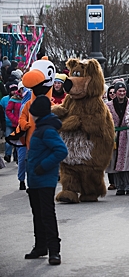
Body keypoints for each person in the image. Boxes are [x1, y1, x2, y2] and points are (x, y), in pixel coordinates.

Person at [24, 95, 68, 265]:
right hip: (35, 181)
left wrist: (43, 166)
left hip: (44, 180)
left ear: (38, 113)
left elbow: (61, 151)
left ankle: (54, 250)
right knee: (37, 215)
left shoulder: (47, 129)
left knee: (47, 215)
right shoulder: (40, 127)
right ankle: (41, 246)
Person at [106, 82, 129, 196]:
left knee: (127, 160)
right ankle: (119, 186)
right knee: (115, 160)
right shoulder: (108, 105)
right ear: (116, 92)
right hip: (115, 134)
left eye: (123, 91)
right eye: (119, 91)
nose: (122, 93)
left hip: (127, 133)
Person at [5, 81, 23, 188]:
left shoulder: (29, 98)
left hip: (26, 126)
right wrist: (15, 120)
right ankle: (21, 180)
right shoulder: (14, 99)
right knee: (16, 146)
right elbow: (8, 111)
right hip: (15, 125)